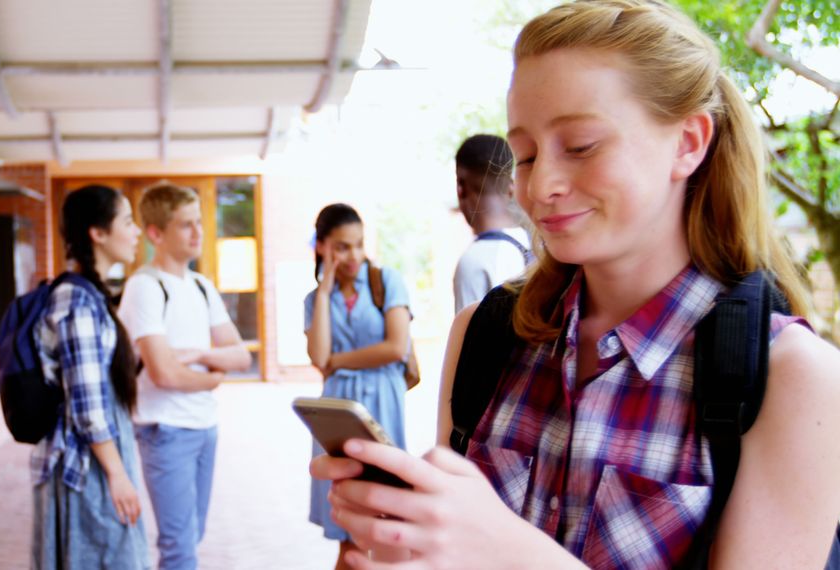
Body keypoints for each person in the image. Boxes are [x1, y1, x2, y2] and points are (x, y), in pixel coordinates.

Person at [311, 1, 840, 568]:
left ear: (688, 142)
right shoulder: (484, 334)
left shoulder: (794, 378)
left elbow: (491, 548)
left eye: (581, 146)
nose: (541, 187)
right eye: (526, 155)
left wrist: (503, 548)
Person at [117, 183, 251, 570]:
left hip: (204, 426)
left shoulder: (200, 286)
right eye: (186, 225)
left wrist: (203, 355)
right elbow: (163, 373)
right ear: (156, 233)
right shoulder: (145, 287)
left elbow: (240, 355)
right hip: (166, 429)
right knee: (179, 548)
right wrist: (211, 378)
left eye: (199, 223)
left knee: (193, 537)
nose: (198, 233)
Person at [31, 184, 149, 569]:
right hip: (86, 469)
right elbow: (86, 405)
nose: (136, 232)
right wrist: (117, 474)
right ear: (97, 233)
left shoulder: (91, 296)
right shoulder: (77, 300)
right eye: (128, 222)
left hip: (94, 459)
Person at [304, 203, 413, 569]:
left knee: (385, 517)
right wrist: (323, 292)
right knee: (349, 526)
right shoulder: (315, 300)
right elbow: (319, 356)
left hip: (382, 402)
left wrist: (340, 360)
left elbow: (395, 347)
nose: (353, 255)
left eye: (358, 244)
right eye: (342, 247)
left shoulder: (387, 281)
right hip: (337, 411)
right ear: (322, 247)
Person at [452, 134, 532, 313]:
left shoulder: (474, 262)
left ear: (461, 187)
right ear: (511, 187)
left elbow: (469, 340)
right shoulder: (540, 248)